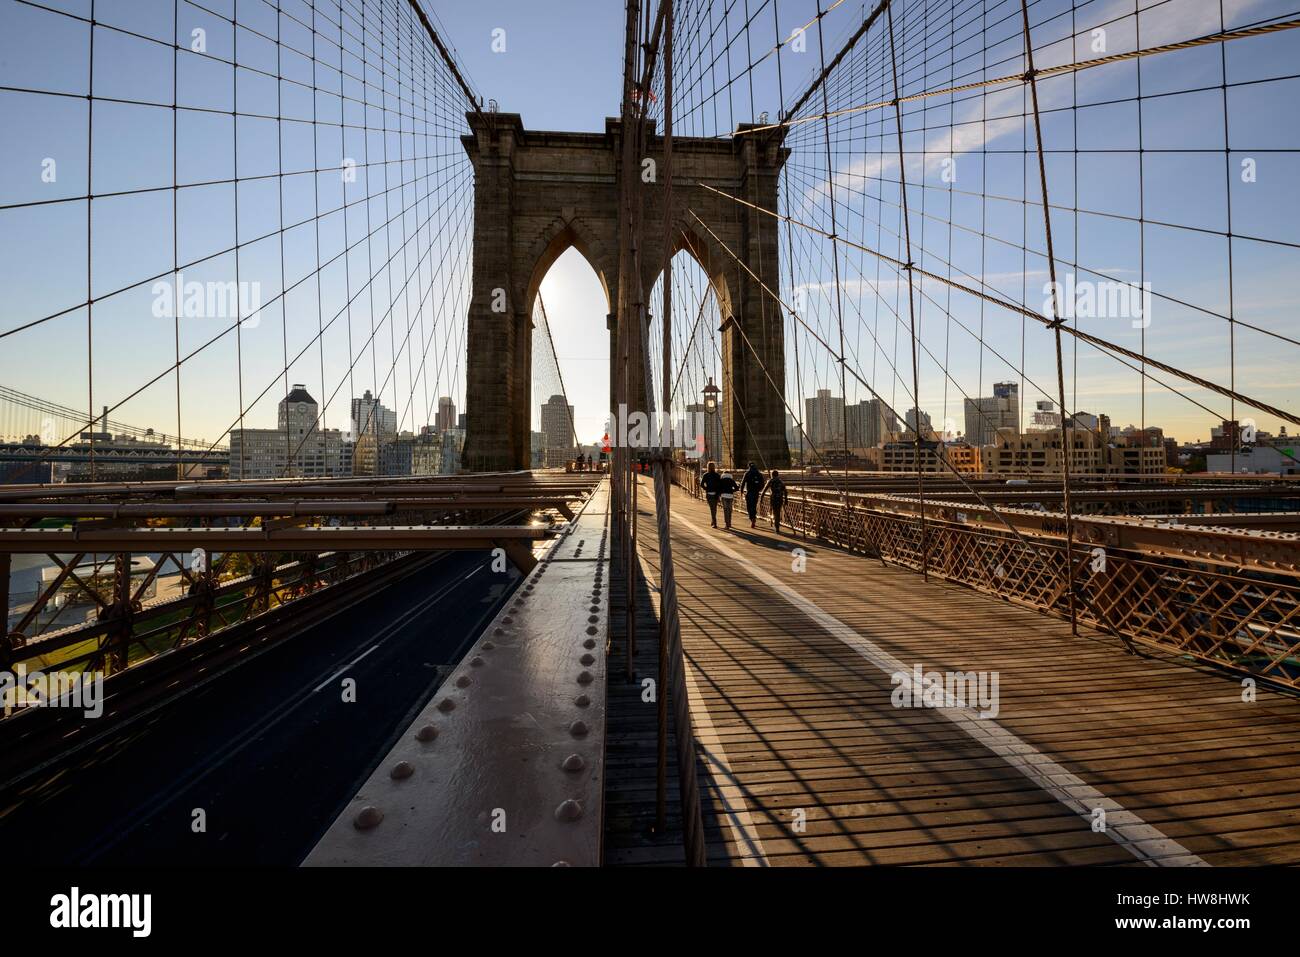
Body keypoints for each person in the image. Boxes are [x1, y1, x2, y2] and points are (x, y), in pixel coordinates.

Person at [700, 461, 723, 527]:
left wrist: (706, 488)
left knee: (712, 508)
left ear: (708, 467)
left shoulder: (705, 475)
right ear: (714, 467)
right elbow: (720, 485)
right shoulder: (717, 475)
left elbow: (701, 484)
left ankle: (714, 522)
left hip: (709, 494)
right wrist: (718, 493)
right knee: (714, 508)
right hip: (715, 494)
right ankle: (713, 521)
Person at [741, 461, 764, 528]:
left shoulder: (747, 473)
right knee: (754, 505)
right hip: (756, 492)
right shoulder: (759, 473)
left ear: (749, 466)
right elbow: (762, 483)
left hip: (749, 492)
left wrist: (741, 491)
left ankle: (752, 518)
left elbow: (743, 483)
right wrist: (759, 490)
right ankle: (754, 517)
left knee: (749, 506)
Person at [765, 468, 787, 534]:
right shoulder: (781, 481)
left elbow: (765, 489)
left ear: (772, 475)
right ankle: (777, 526)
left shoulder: (771, 481)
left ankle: (776, 526)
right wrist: (786, 499)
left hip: (773, 498)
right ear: (778, 475)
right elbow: (785, 491)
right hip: (780, 498)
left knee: (775, 512)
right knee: (778, 512)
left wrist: (761, 497)